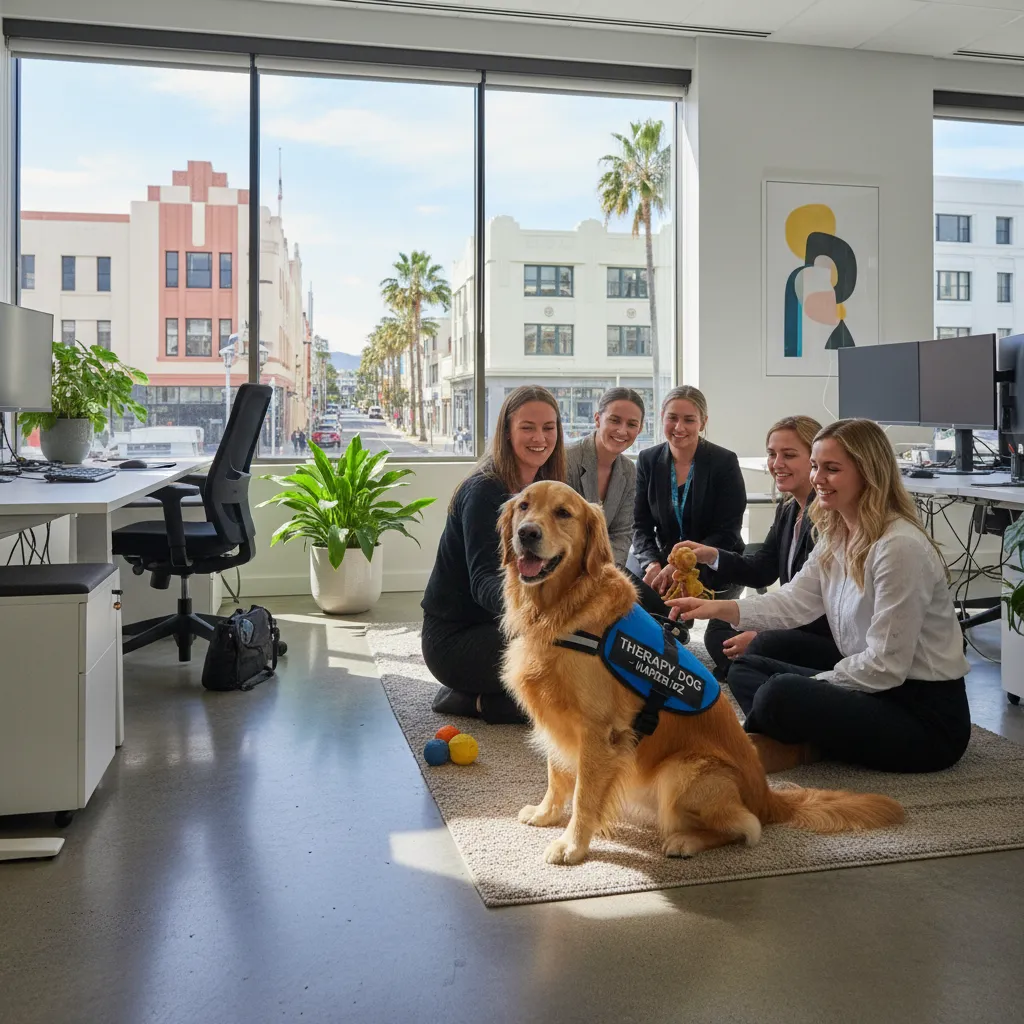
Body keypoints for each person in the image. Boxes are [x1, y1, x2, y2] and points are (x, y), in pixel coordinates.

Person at [668, 418, 972, 775]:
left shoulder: (899, 547)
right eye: (815, 466)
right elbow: (794, 602)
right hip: (873, 689)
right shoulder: (838, 532)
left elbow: (885, 666)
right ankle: (803, 737)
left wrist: (810, 690)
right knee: (748, 664)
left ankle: (787, 738)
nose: (817, 479)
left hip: (925, 719)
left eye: (831, 469)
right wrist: (715, 607)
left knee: (780, 693)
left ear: (868, 473)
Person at [421, 385, 566, 723]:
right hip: (456, 639)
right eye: (527, 427)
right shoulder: (484, 490)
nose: (540, 437)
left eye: (549, 427)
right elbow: (484, 583)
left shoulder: (548, 486)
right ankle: (471, 702)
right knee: (565, 696)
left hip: (508, 626)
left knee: (589, 670)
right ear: (506, 431)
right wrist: (545, 616)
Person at [674, 415, 838, 680]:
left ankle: (756, 668)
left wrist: (764, 634)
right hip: (790, 617)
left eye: (789, 455)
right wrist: (710, 555)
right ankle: (755, 668)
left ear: (814, 459)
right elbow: (762, 570)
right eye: (772, 454)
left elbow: (816, 607)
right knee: (719, 626)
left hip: (820, 631)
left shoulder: (830, 518)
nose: (777, 464)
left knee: (755, 644)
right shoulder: (788, 508)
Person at [631, 385, 746, 615]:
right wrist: (652, 563)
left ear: (702, 423)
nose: (679, 427)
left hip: (711, 559)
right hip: (662, 556)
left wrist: (681, 565)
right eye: (672, 418)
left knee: (670, 608)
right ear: (662, 417)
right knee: (629, 591)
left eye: (689, 420)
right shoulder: (648, 459)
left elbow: (727, 531)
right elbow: (640, 525)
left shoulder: (724, 462)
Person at [565, 387, 645, 567]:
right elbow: (557, 530)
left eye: (631, 424)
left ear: (639, 429)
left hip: (603, 568)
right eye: (614, 420)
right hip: (563, 568)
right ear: (597, 419)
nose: (622, 431)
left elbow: (622, 533)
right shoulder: (566, 460)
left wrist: (605, 574)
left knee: (654, 596)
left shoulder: (629, 470)